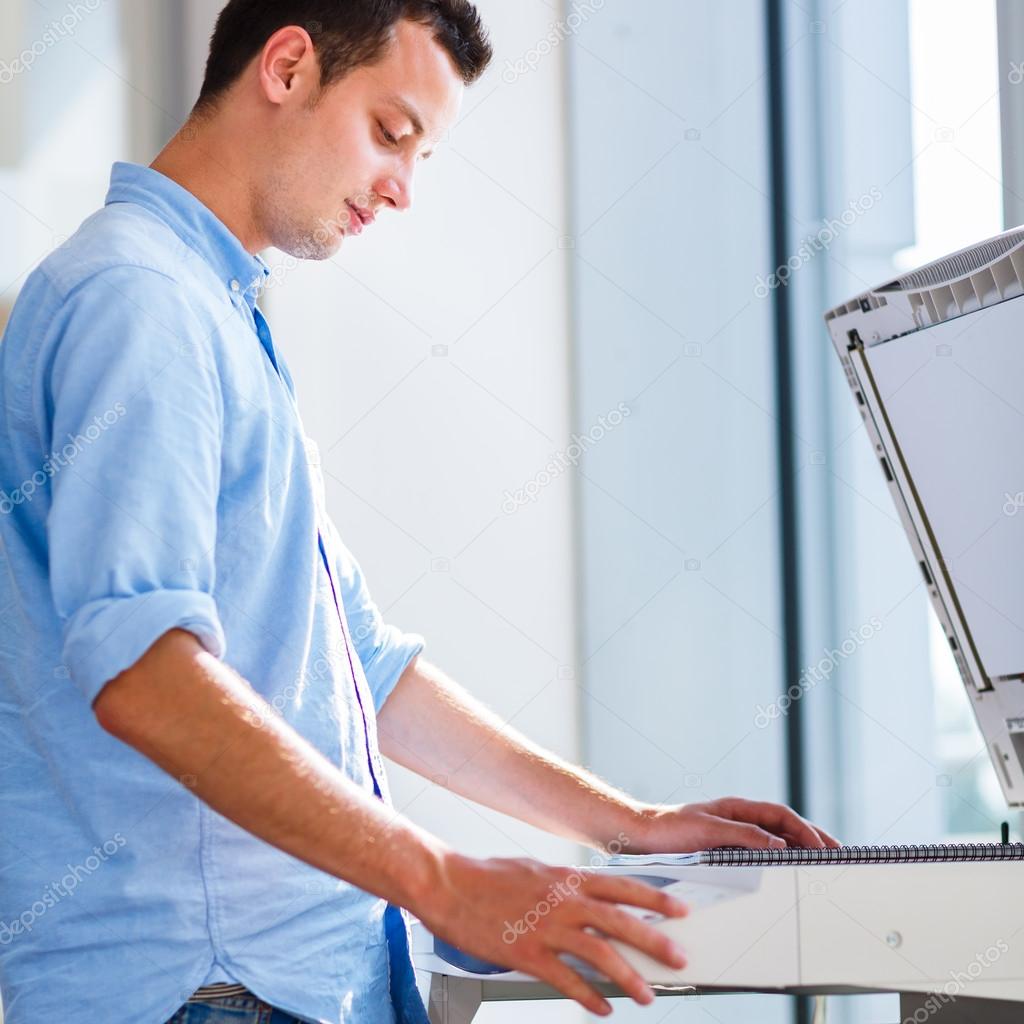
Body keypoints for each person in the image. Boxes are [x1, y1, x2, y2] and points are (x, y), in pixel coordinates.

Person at [0, 2, 839, 1022]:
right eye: (391, 132)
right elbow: (142, 672)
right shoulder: (140, 301)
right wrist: (441, 880)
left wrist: (627, 822)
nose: (400, 188)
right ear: (289, 66)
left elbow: (367, 670)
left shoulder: (215, 313)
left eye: (421, 155)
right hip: (207, 990)